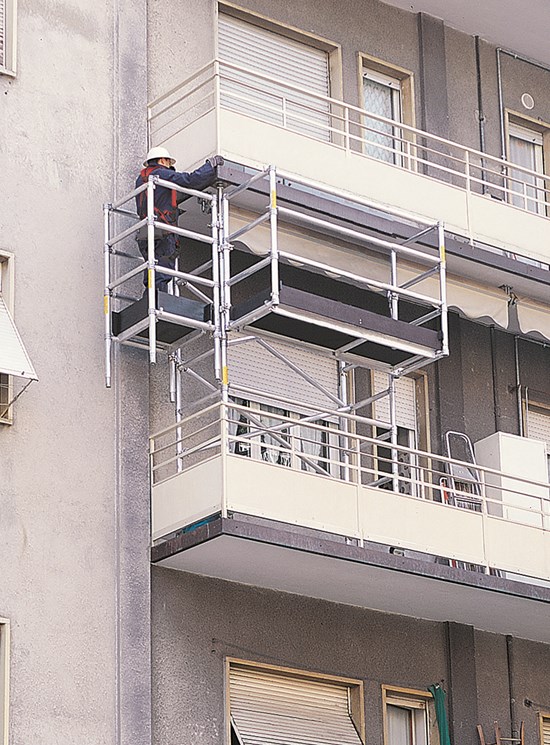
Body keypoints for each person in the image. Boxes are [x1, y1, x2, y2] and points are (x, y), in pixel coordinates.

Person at [135, 146, 224, 292]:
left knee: (152, 266)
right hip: (162, 228)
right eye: (169, 163)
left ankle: (150, 298)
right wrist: (210, 167)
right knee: (162, 266)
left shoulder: (141, 180)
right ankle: (157, 299)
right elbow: (189, 180)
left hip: (145, 230)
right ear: (163, 160)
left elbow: (165, 198)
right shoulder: (161, 173)